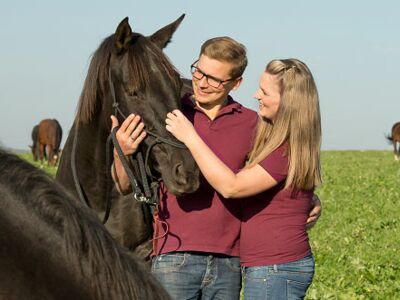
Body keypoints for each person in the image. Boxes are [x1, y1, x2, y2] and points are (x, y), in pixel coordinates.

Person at [111, 37, 321, 300]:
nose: (201, 82)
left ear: (236, 83)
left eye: (214, 79)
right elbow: (123, 185)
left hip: (229, 262)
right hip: (175, 255)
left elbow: (278, 171)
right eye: (198, 71)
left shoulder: (253, 124)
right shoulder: (170, 114)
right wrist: (123, 153)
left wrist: (306, 199)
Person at [165, 58, 321, 299]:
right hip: (269, 266)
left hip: (275, 267)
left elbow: (232, 186)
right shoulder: (278, 141)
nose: (256, 95)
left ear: (288, 101)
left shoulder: (284, 148)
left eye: (265, 91)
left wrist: (190, 136)